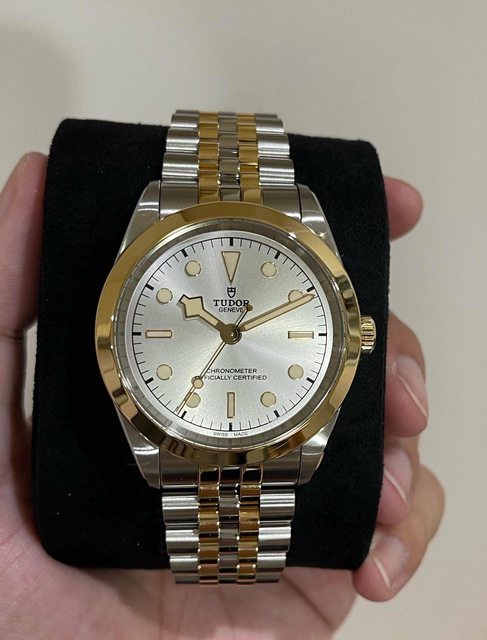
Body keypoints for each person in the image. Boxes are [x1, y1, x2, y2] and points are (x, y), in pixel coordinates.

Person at [0, 152, 444, 639]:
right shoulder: (164, 214)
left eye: (235, 330)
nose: (231, 333)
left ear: (359, 334)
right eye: (227, 329)